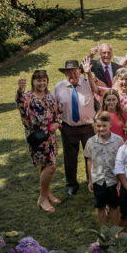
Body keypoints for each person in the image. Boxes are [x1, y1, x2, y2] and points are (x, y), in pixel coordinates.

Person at [16, 70, 62, 212]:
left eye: (44, 80)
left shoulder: (50, 96)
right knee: (50, 166)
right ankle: (42, 198)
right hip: (38, 138)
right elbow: (21, 105)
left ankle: (47, 193)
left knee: (46, 166)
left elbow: (58, 112)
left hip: (51, 137)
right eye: (38, 80)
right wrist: (20, 91)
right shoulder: (28, 97)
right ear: (33, 82)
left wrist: (57, 123)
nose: (42, 83)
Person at [53, 59, 96, 197]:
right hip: (68, 128)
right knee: (70, 158)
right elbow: (52, 108)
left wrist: (88, 73)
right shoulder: (58, 87)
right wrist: (58, 123)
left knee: (91, 156)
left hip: (88, 127)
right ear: (65, 74)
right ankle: (71, 184)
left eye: (75, 72)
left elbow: (98, 90)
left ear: (79, 72)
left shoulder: (88, 83)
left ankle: (92, 181)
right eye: (69, 72)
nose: (72, 75)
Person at [84, 112, 125, 227]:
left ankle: (114, 230)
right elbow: (90, 160)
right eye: (98, 126)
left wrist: (121, 181)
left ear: (110, 125)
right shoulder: (91, 142)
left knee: (114, 206)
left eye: (104, 126)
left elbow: (122, 161)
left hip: (114, 180)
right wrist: (91, 180)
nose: (101, 129)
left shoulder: (118, 141)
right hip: (98, 179)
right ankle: (103, 230)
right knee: (100, 206)